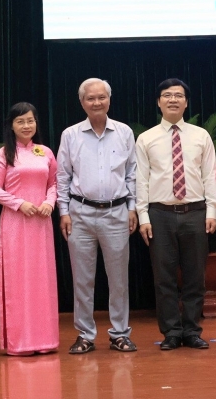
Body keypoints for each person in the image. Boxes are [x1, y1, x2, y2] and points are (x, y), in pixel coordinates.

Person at [135, 78, 216, 351]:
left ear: (186, 102)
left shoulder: (201, 136)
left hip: (195, 212)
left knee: (195, 277)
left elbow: (209, 175)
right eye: (167, 95)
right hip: (160, 214)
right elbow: (141, 180)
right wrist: (143, 216)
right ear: (158, 102)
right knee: (164, 278)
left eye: (179, 95)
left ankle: (192, 330)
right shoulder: (146, 138)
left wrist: (211, 210)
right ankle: (171, 332)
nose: (173, 99)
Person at [56, 78, 138, 354]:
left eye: (101, 97)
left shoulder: (124, 132)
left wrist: (132, 207)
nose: (96, 102)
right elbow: (62, 176)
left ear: (109, 100)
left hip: (116, 212)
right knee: (82, 279)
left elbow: (132, 173)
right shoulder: (70, 135)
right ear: (82, 103)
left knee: (118, 279)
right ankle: (85, 335)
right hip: (79, 214)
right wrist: (63, 212)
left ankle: (120, 333)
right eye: (90, 98)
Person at [0, 102, 60, 356]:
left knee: (42, 279)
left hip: (41, 223)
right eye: (20, 121)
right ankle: (20, 342)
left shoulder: (45, 152)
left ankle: (44, 339)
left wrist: (49, 202)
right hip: (16, 224)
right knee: (18, 280)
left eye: (30, 120)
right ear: (11, 125)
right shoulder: (3, 154)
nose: (26, 126)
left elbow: (54, 183)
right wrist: (20, 204)